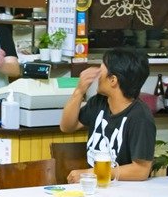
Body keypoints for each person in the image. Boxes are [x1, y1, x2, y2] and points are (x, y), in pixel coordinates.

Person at [58, 45, 156, 183]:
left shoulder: (140, 117)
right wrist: (79, 91)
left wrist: (94, 173)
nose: (97, 76)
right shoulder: (99, 102)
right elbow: (67, 127)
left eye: (101, 70)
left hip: (124, 195)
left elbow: (141, 170)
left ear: (113, 80)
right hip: (95, 189)